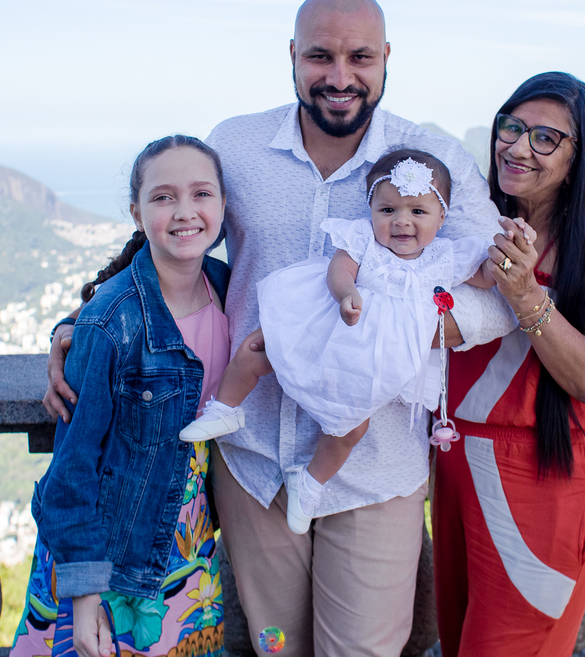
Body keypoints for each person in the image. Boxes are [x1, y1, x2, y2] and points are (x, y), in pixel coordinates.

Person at [44, 0, 514, 657]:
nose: (339, 76)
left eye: (360, 57)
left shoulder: (433, 159)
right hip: (254, 460)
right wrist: (80, 322)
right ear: (293, 55)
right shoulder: (237, 145)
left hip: (375, 464)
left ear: (387, 57)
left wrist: (400, 325)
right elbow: (177, 241)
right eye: (320, 56)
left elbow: (499, 297)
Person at [4, 136, 266, 657]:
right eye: (164, 197)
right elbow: (71, 469)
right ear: (137, 212)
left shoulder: (228, 287)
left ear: (223, 205)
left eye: (201, 194)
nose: (185, 211)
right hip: (108, 538)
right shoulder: (110, 322)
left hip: (182, 532)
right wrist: (84, 594)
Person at [431, 72, 585, 657]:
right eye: (512, 128)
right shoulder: (474, 220)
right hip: (458, 466)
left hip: (544, 479)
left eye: (546, 138)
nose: (519, 147)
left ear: (580, 157)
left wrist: (525, 294)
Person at [179, 150, 502, 535]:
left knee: (350, 428)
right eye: (387, 210)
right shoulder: (364, 240)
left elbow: (486, 276)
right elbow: (340, 268)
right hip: (329, 323)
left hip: (370, 361)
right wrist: (347, 293)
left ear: (441, 217)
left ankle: (310, 483)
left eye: (418, 211)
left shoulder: (443, 258)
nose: (401, 221)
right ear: (372, 210)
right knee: (257, 347)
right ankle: (225, 408)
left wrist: (506, 257)